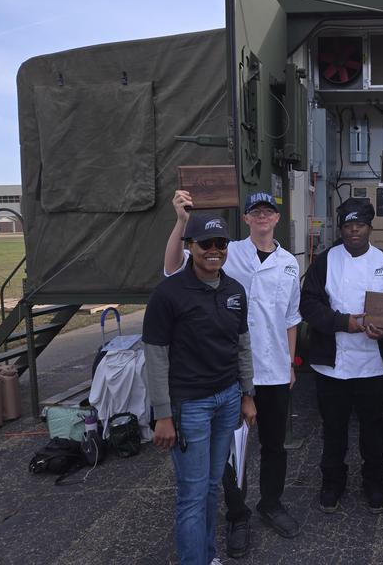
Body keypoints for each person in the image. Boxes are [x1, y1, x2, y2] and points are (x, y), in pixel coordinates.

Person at [165, 191, 302, 557]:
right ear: (246, 219)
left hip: (274, 370)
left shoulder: (290, 263)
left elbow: (291, 319)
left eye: (268, 211)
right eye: (256, 212)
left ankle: (271, 503)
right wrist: (181, 221)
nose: (262, 217)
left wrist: (290, 363)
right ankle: (237, 514)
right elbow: (173, 268)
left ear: (277, 218)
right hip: (232, 370)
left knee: (274, 444)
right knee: (230, 451)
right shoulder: (226, 251)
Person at [143, 213, 257, 565]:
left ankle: (207, 557)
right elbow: (156, 357)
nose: (213, 250)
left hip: (228, 399)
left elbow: (242, 345)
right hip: (189, 405)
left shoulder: (234, 290)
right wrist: (163, 415)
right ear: (189, 246)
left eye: (220, 243)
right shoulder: (168, 294)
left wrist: (247, 394)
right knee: (192, 495)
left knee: (211, 487)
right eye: (205, 244)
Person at [299, 197, 383, 514]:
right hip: (333, 365)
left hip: (372, 365)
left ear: (370, 227)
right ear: (341, 229)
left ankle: (375, 480)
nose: (354, 230)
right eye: (348, 225)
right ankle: (332, 481)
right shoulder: (324, 262)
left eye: (360, 224)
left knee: (373, 427)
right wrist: (345, 323)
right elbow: (309, 305)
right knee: (333, 427)